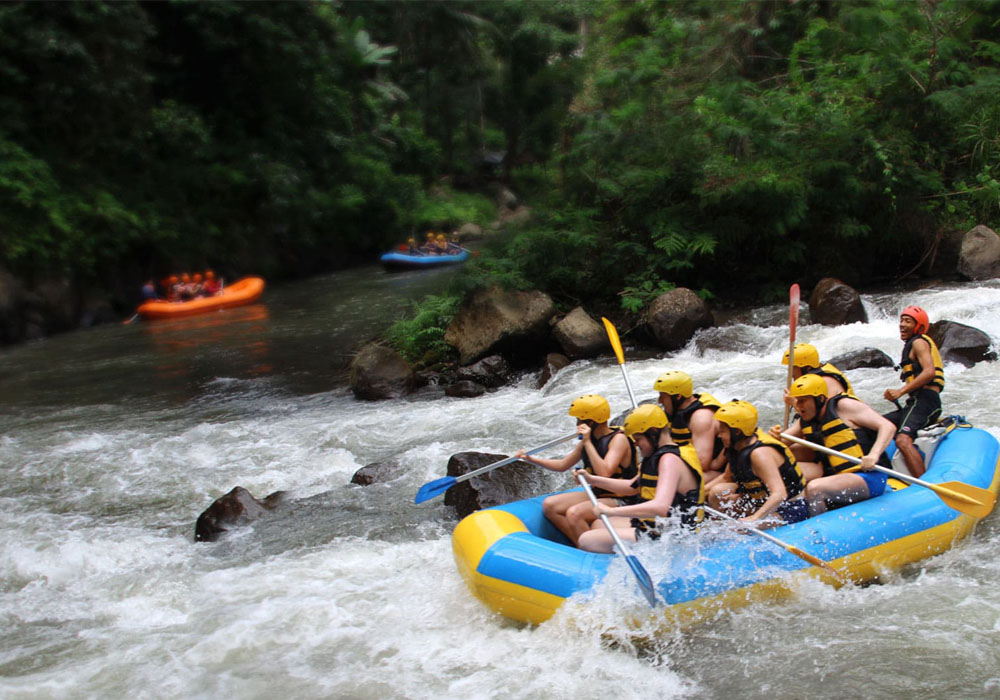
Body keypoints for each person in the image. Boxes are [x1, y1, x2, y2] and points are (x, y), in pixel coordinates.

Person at [577, 403, 704, 553]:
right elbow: (631, 487)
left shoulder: (669, 460)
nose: (635, 444)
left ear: (653, 433)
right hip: (658, 527)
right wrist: (591, 479)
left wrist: (611, 511)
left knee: (586, 540)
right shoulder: (658, 456)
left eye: (638, 438)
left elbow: (660, 508)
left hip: (673, 537)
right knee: (598, 524)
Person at [516, 394, 636, 545]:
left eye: (579, 420)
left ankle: (592, 549)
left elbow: (605, 472)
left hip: (624, 498)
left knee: (574, 513)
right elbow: (562, 465)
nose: (577, 424)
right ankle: (580, 545)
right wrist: (531, 459)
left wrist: (587, 442)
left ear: (591, 422)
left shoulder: (618, 439)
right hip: (600, 494)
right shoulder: (589, 440)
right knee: (550, 506)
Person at [773, 374, 896, 516]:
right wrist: (774, 436)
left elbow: (887, 426)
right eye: (797, 401)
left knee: (815, 488)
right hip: (836, 477)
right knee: (789, 478)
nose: (798, 406)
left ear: (819, 399)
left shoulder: (843, 406)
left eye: (802, 401)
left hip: (869, 477)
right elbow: (779, 445)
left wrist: (874, 454)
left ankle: (818, 530)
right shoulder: (805, 420)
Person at [707, 400, 809, 527]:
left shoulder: (759, 454)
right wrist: (697, 495)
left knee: (736, 529)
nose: (719, 435)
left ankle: (735, 529)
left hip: (789, 509)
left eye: (723, 431)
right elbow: (725, 477)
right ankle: (720, 526)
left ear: (737, 432)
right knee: (716, 493)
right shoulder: (737, 448)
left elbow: (779, 494)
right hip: (757, 500)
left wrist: (755, 518)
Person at [881, 305, 944, 477]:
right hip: (915, 401)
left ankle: (924, 486)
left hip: (926, 400)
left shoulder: (918, 342)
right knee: (879, 424)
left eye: (908, 321)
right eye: (901, 320)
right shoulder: (912, 344)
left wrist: (900, 391)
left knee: (903, 440)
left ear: (919, 326)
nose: (902, 324)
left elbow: (929, 371)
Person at [653, 371, 726, 484]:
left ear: (678, 397)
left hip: (715, 472)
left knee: (668, 483)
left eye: (663, 396)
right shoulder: (675, 411)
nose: (659, 401)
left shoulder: (701, 417)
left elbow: (702, 464)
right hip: (691, 467)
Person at [781, 342, 856, 400]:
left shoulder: (826, 381)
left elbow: (827, 416)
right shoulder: (814, 381)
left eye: (793, 367)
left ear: (807, 368)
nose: (790, 373)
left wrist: (794, 402)